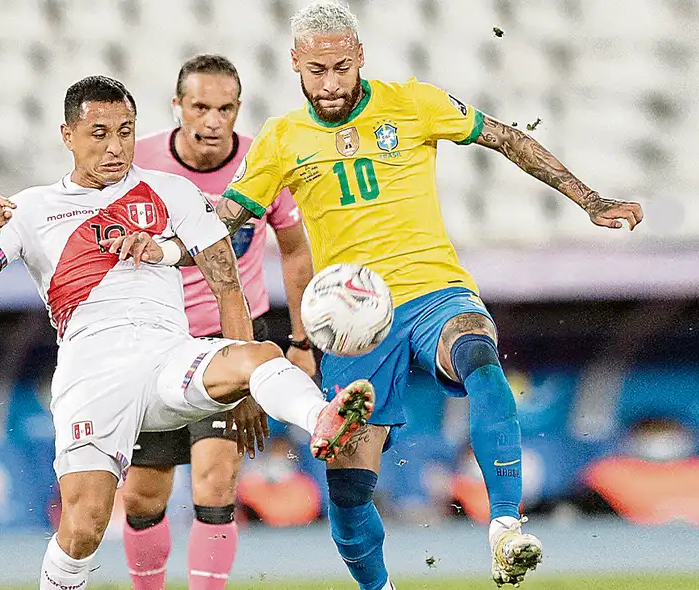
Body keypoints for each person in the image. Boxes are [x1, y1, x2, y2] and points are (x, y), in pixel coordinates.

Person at [108, 2, 644, 586]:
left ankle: (507, 527)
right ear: (295, 65)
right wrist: (161, 248)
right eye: (317, 72)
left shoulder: (413, 103)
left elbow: (507, 139)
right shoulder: (282, 140)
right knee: (348, 485)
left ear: (360, 56)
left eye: (342, 67)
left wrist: (590, 200)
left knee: (479, 357)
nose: (331, 84)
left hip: (432, 290)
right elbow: (226, 220)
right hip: (350, 319)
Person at [0, 74, 373, 589]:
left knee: (259, 352)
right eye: (99, 133)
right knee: (85, 526)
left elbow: (227, 282)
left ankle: (320, 418)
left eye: (126, 131)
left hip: (170, 357)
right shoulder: (33, 208)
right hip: (93, 374)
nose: (116, 146)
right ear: (67, 134)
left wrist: (244, 395)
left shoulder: (171, 192)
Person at [122, 54, 316, 590]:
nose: (212, 121)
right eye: (200, 107)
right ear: (178, 106)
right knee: (143, 494)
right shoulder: (138, 163)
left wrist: (301, 341)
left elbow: (296, 251)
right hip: (156, 341)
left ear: (238, 109)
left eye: (225, 108)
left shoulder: (264, 163)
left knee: (216, 478)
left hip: (232, 338)